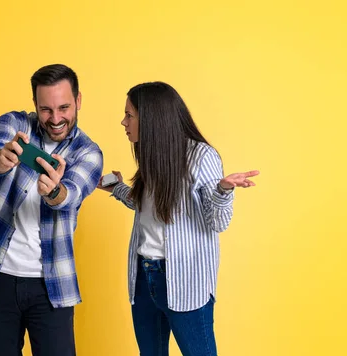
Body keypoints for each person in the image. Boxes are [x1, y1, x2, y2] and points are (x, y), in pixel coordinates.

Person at [98, 81, 259, 356]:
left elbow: (217, 222)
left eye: (129, 115)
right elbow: (149, 207)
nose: (123, 122)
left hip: (184, 280)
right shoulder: (153, 154)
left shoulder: (201, 156)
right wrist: (117, 189)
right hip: (143, 276)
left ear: (151, 118)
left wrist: (223, 190)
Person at [0, 64, 103, 356]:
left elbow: (71, 194)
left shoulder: (88, 153)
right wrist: (0, 159)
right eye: (46, 109)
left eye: (64, 107)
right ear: (35, 104)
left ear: (78, 101)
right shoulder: (12, 124)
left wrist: (54, 191)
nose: (56, 118)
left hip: (52, 284)